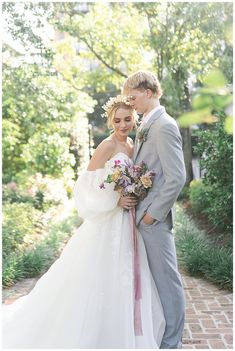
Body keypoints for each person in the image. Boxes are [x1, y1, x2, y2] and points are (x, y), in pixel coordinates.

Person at [2, 95, 166, 349]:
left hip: (128, 224)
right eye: (117, 120)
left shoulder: (134, 144)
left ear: (134, 118)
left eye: (127, 119)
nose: (122, 125)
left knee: (125, 275)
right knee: (98, 275)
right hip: (108, 223)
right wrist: (116, 201)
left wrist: (136, 192)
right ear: (110, 121)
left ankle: (122, 332)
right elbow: (85, 186)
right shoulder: (107, 146)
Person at [122, 71, 186, 349]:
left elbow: (177, 177)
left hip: (153, 221)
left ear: (148, 92)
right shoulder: (148, 124)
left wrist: (151, 215)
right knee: (155, 281)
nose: (131, 103)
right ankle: (160, 335)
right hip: (143, 217)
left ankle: (171, 343)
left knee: (167, 280)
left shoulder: (164, 126)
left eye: (133, 97)